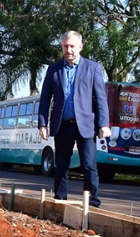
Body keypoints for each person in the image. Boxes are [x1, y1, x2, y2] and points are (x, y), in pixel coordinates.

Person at [38, 30, 110, 207]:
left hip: (85, 125)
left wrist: (104, 124)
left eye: (72, 46)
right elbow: (45, 98)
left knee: (89, 165)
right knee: (61, 165)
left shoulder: (92, 68)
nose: (68, 50)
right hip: (62, 125)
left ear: (80, 47)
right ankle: (60, 200)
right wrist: (42, 124)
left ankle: (92, 203)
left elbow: (100, 98)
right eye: (65, 46)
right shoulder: (54, 70)